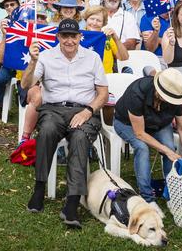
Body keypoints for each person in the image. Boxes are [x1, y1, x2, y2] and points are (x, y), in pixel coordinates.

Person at [24, 18, 109, 227]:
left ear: (80, 37)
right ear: (58, 37)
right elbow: (26, 84)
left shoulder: (93, 58)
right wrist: (33, 62)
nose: (69, 40)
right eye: (65, 36)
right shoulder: (44, 56)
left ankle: (72, 202)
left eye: (73, 36)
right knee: (47, 131)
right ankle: (39, 187)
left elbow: (103, 93)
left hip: (84, 109)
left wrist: (88, 111)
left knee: (80, 137)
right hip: (53, 109)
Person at [113, 67, 182, 205]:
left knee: (170, 147)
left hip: (159, 124)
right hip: (126, 123)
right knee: (142, 148)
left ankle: (171, 193)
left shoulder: (176, 96)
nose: (170, 101)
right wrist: (166, 151)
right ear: (158, 90)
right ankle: (147, 197)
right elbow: (139, 133)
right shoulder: (137, 92)